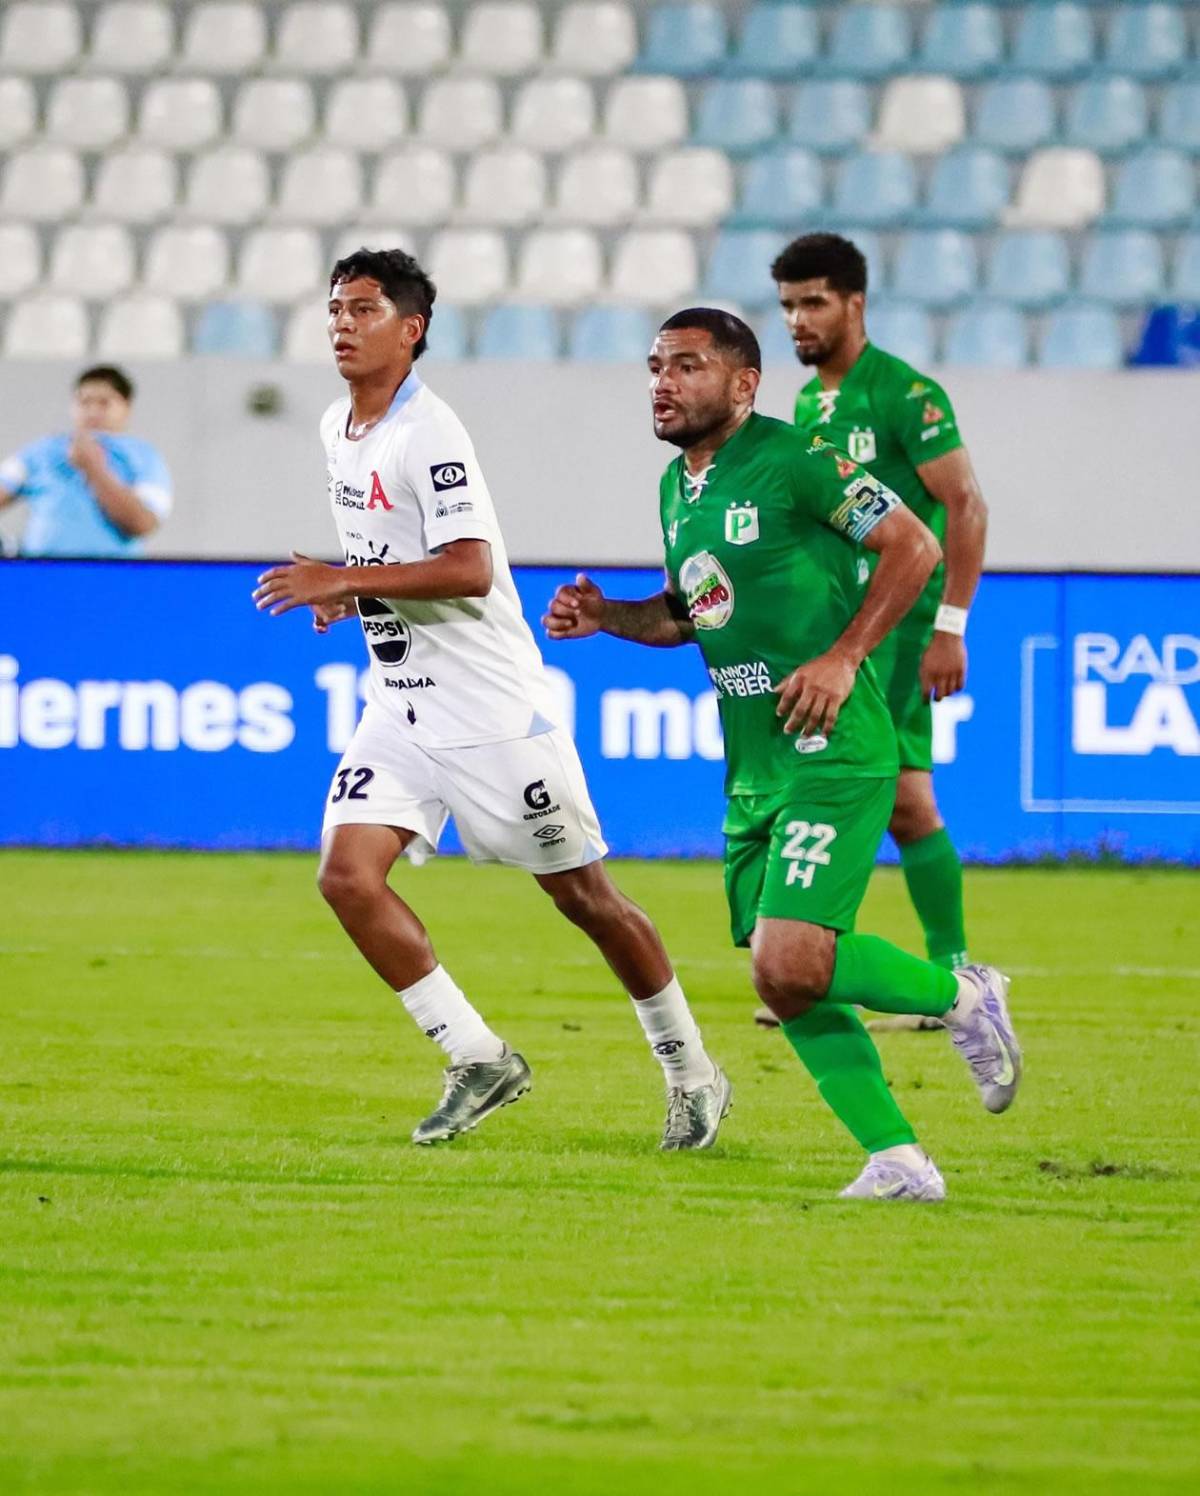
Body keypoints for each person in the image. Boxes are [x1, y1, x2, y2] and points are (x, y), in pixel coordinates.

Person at [253, 248, 729, 1150]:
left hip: (489, 713)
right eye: (335, 309)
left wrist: (344, 575)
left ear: (412, 327)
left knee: (587, 899)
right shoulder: (335, 427)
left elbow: (469, 569)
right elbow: (400, 557)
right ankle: (476, 1056)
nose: (342, 324)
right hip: (400, 704)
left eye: (363, 309)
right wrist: (351, 594)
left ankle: (691, 1069)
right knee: (346, 876)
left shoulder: (429, 432)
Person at [544, 309, 1021, 1202]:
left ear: (743, 383)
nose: (663, 381)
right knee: (786, 977)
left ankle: (963, 995)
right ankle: (899, 1160)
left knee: (790, 961)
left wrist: (844, 657)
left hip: (833, 749)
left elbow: (912, 544)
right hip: (753, 766)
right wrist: (609, 616)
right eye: (655, 366)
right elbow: (695, 612)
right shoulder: (677, 487)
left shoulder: (799, 457)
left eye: (687, 366)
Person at [760, 234, 987, 1035]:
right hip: (846, 627)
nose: (798, 319)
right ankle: (833, 961)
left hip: (899, 628)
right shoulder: (809, 404)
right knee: (890, 801)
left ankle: (950, 977)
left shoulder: (905, 393)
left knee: (906, 801)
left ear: (856, 303)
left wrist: (950, 627)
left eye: (813, 302)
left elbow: (964, 505)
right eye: (788, 305)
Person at [0, 365, 172, 557]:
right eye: (84, 402)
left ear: (126, 407)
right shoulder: (42, 451)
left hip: (110, 576)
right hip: (41, 574)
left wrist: (93, 468)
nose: (92, 411)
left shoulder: (144, 457)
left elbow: (142, 524)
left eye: (104, 403)